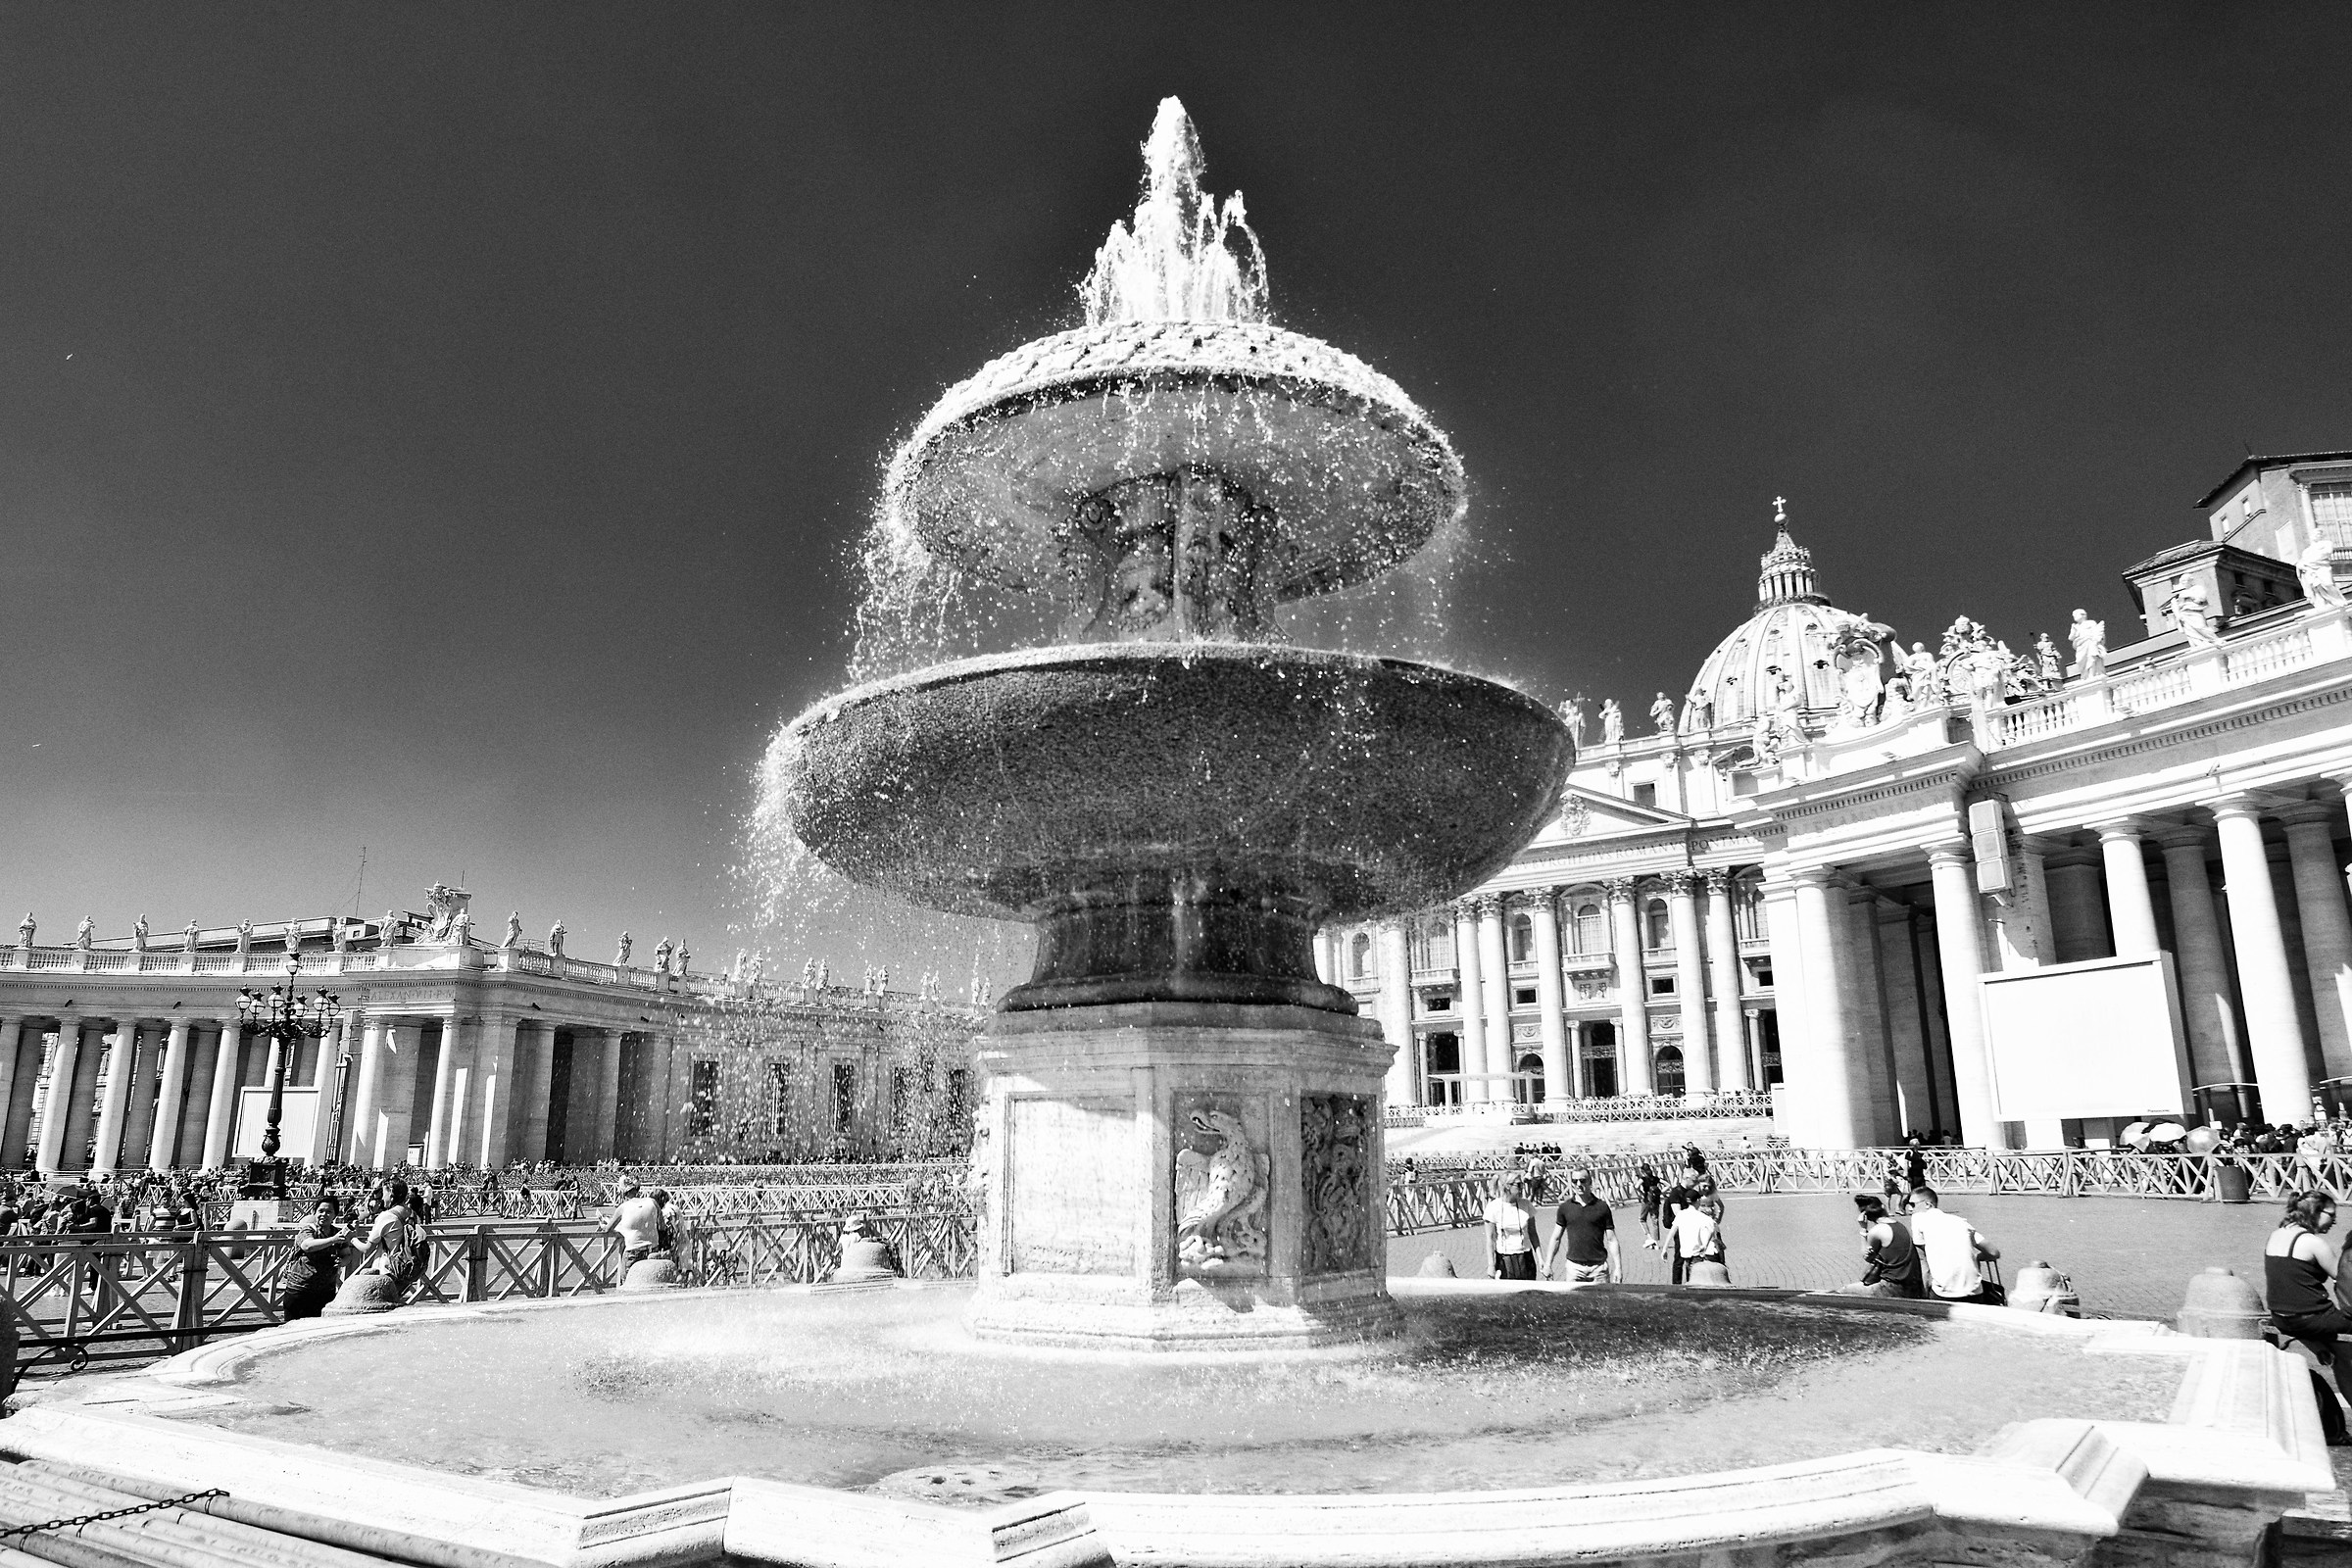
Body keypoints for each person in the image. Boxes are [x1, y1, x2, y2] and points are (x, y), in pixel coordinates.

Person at [2267, 1190, 2352, 1446]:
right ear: (2315, 1212)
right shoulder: (2313, 1243)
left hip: (2283, 1317)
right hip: (2312, 1318)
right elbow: (2344, 1278)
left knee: (2336, 1346)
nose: (2334, 1221)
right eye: (2331, 1215)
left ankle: (2329, 1350)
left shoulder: (2278, 1234)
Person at [1907, 1186, 1999, 1303]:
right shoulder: (1960, 1221)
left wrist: (1924, 1294)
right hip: (1975, 1292)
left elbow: (1923, 1262)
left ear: (1927, 1204)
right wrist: (1978, 1257)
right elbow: (1993, 1252)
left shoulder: (1918, 1219)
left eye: (1912, 1204)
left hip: (1944, 1293)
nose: (1910, 1209)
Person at [1541, 1166, 1621, 1284]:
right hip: (1574, 1268)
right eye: (1574, 1181)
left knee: (1603, 1301)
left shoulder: (1602, 1207)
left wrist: (1618, 1267)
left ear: (1590, 1182)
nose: (1578, 1184)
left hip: (1598, 1269)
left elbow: (1612, 1239)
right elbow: (1556, 1238)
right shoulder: (1565, 1208)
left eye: (1582, 1181)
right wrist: (1548, 1264)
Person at [1836, 1194, 1925, 1298]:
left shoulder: (1877, 1231)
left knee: (1843, 1291)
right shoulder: (1899, 1225)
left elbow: (1866, 1257)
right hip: (1912, 1286)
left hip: (1892, 1287)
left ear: (1865, 1216)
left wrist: (1863, 1229)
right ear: (1883, 1206)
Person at [280, 1195, 351, 1320]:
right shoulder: (308, 1229)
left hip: (326, 1290)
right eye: (321, 1211)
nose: (324, 1214)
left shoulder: (338, 1233)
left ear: (335, 1215)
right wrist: (333, 1240)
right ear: (315, 1213)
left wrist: (342, 1261)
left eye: (329, 1212)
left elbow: (347, 1255)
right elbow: (307, 1246)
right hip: (300, 1289)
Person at [1483, 1177, 1541, 1281]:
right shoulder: (1493, 1207)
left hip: (1526, 1257)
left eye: (1521, 1184)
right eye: (1518, 1185)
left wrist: (1541, 1260)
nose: (1522, 1187)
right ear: (1507, 1186)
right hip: (1505, 1258)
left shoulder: (1526, 1204)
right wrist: (1491, 1265)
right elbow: (1490, 1240)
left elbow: (1533, 1234)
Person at [602, 1176, 665, 1267]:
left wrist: (604, 1224)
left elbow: (607, 1229)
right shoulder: (652, 1202)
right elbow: (662, 1226)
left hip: (634, 1250)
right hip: (653, 1249)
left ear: (624, 1194)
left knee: (628, 1279)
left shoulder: (622, 1208)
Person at [1668, 1193, 1725, 1284]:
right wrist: (1706, 1245)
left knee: (1692, 1277)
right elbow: (1714, 1235)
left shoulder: (1690, 1216)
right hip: (1706, 1253)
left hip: (1693, 1252)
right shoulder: (1708, 1221)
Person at [1636, 1164, 1663, 1250]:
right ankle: (1656, 1241)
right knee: (1655, 1220)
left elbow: (1636, 1186)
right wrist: (1661, 1192)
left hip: (1646, 1200)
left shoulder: (1643, 1179)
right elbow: (1668, 1184)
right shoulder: (1655, 1178)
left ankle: (1649, 1237)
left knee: (1642, 1219)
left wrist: (1641, 1193)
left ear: (1643, 1171)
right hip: (1655, 1201)